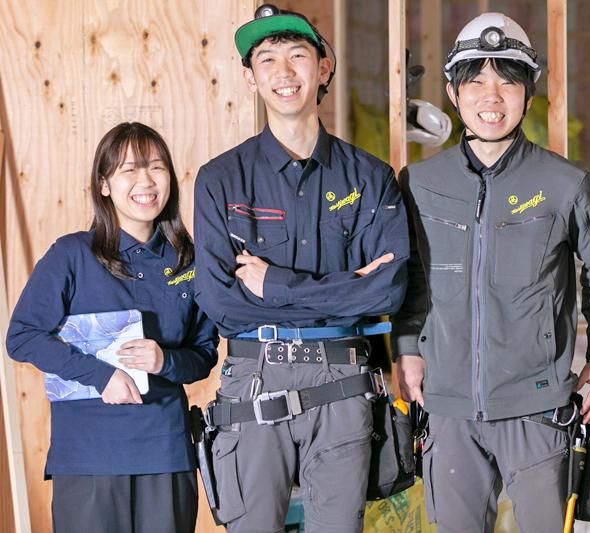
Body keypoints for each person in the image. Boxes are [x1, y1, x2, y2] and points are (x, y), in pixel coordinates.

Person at [391, 12, 590, 533]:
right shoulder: (420, 183)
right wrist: (407, 347)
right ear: (453, 92)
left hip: (538, 406)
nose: (491, 97)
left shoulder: (565, 183)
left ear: (528, 96)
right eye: (476, 81)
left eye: (507, 82)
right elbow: (413, 276)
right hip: (449, 408)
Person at [192, 4, 409, 532]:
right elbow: (221, 304)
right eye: (266, 60)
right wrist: (345, 287)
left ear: (323, 67)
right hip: (253, 380)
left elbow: (386, 293)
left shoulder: (371, 178)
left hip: (343, 382)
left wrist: (275, 285)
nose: (283, 72)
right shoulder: (220, 179)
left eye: (297, 55)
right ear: (250, 78)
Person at [5, 122, 219, 533]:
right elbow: (22, 336)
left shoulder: (189, 261)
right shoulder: (72, 255)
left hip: (165, 453)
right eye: (129, 170)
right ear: (103, 184)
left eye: (156, 167)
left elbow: (204, 353)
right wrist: (101, 375)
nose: (146, 181)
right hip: (88, 457)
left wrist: (165, 360)